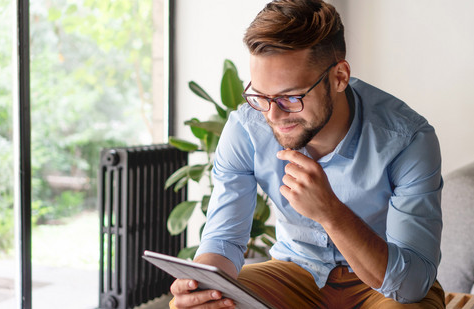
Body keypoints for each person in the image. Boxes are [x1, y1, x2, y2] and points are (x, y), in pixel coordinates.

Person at [170, 0, 444, 308]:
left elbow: (412, 284)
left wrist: (330, 212)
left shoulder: (407, 139)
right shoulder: (246, 129)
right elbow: (223, 240)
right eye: (260, 95)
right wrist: (202, 285)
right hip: (294, 272)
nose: (272, 115)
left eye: (291, 97)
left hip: (383, 283)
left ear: (339, 77)